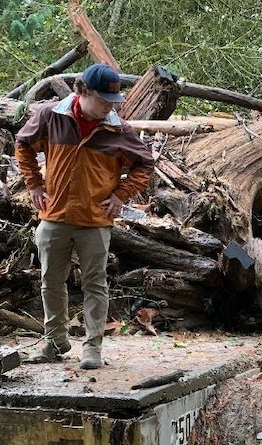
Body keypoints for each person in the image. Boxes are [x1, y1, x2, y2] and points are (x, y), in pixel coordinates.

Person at [14, 63, 154, 369]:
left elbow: (144, 165)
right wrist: (35, 184)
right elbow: (23, 144)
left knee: (95, 284)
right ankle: (55, 341)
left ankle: (93, 347)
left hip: (95, 220)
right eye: (103, 100)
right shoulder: (51, 116)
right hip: (55, 216)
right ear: (82, 92)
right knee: (50, 281)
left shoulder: (118, 130)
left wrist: (120, 195)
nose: (108, 107)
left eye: (113, 101)